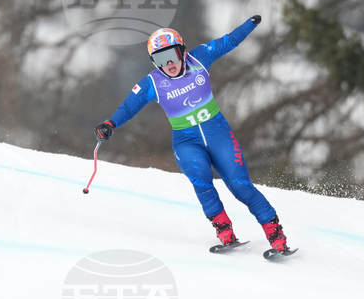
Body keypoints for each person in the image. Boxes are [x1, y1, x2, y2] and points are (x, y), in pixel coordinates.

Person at [94, 16, 289, 253]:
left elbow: (229, 41)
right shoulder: (152, 83)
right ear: (154, 62)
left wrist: (251, 23)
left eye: (172, 55)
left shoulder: (200, 58)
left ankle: (275, 234)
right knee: (200, 178)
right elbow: (128, 107)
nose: (169, 64)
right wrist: (110, 123)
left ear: (182, 51)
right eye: (160, 59)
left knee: (240, 186)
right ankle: (224, 230)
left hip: (219, 134)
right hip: (186, 141)